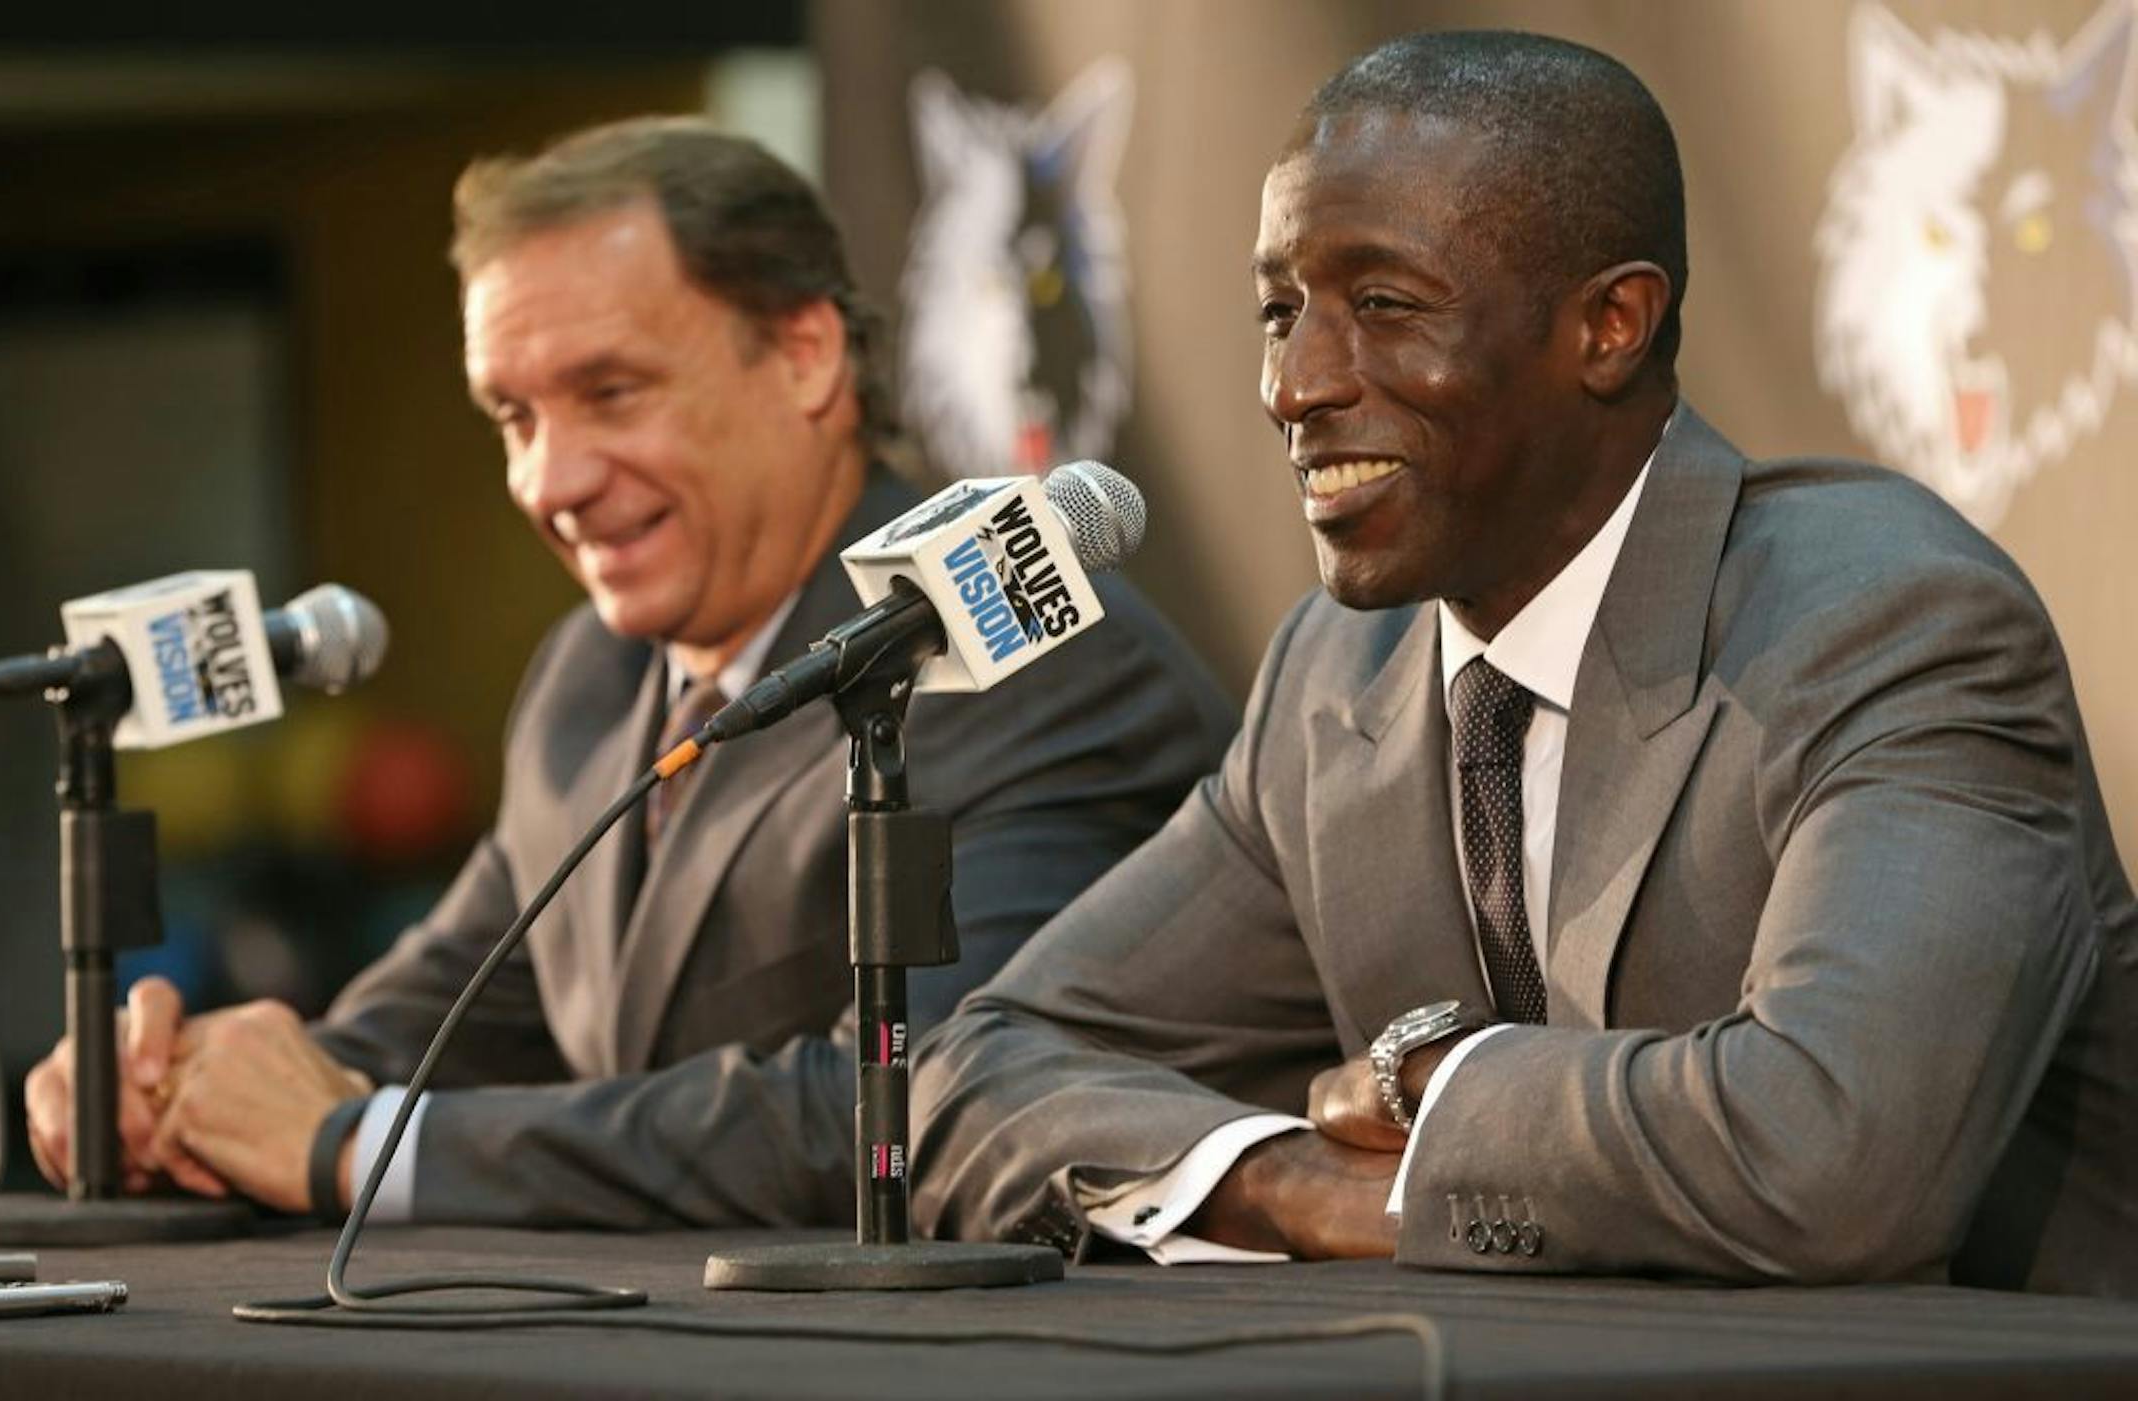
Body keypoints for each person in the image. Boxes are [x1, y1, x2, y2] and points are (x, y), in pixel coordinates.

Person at [907, 31, 2137, 1296]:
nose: (1293, 385)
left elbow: (1832, 1155)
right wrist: (1299, 1185)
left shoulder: (1891, 626)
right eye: (1282, 311)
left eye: (1383, 306)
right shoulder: (1340, 676)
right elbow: (978, 1069)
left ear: (1610, 325)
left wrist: (1440, 1106)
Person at [22, 117, 1235, 1228]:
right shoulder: (589, 675)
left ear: (806, 354)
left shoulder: (1040, 665)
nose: (552, 482)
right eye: (514, 417)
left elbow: (927, 1103)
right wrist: (190, 1095)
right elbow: (456, 1010)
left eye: (611, 393)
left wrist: (354, 1147)